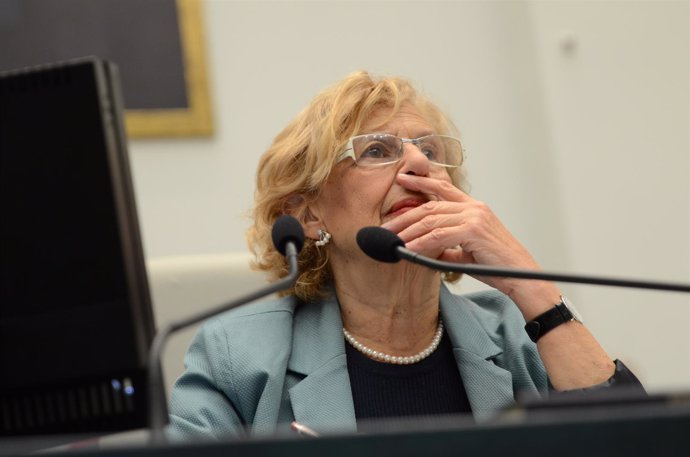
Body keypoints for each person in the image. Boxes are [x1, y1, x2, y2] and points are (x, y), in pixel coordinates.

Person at [167, 71, 641, 440]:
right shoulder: (240, 359)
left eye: (430, 150)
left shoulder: (520, 335)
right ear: (309, 214)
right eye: (377, 150)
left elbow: (637, 445)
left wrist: (530, 286)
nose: (418, 164)